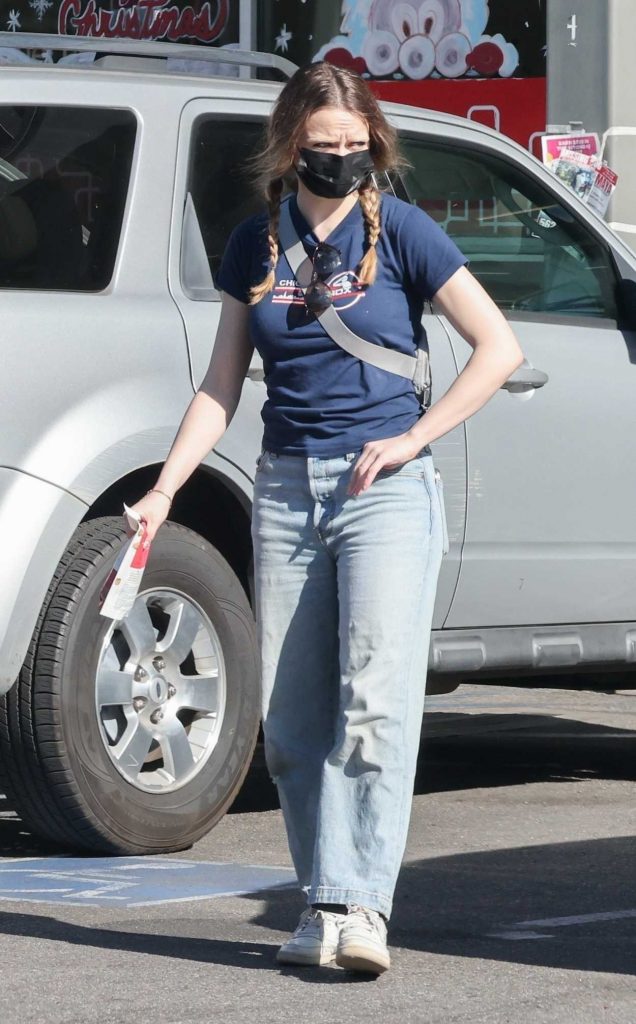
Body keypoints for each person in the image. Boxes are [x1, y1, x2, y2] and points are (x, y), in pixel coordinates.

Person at [129, 61, 523, 976]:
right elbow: (221, 385)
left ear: (373, 145)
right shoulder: (253, 246)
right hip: (284, 490)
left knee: (375, 706)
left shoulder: (408, 234)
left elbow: (498, 346)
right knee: (296, 724)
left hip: (384, 490)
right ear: (290, 148)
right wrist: (164, 489)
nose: (342, 162)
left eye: (355, 147)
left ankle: (360, 908)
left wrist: (416, 434)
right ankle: (321, 902)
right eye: (324, 148)